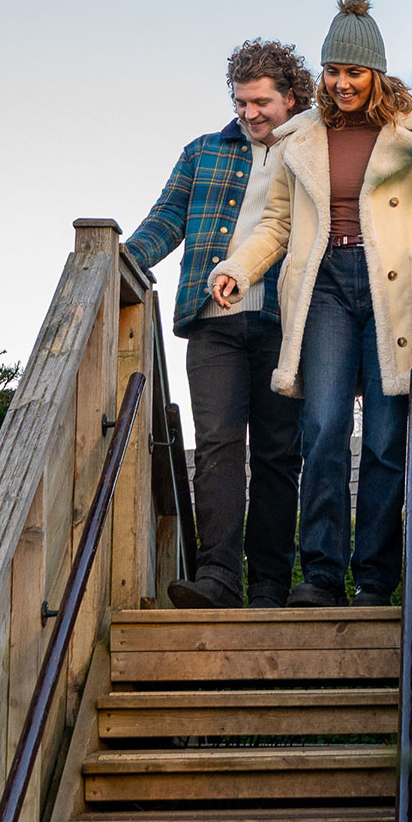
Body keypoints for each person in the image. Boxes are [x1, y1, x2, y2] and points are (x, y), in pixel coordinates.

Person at [210, 0, 412, 608]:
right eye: (333, 71)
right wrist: (239, 267)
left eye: (354, 72)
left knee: (385, 436)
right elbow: (277, 225)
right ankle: (319, 574)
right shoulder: (301, 137)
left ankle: (374, 579)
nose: (342, 84)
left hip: (395, 285)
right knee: (321, 426)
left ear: (377, 72)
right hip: (325, 286)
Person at [125, 39, 313, 610]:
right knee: (217, 447)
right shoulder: (204, 151)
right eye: (240, 103)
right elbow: (166, 219)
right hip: (213, 321)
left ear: (292, 98)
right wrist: (121, 262)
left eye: (261, 103)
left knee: (279, 452)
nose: (250, 114)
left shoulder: (311, 152)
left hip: (286, 320)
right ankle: (218, 576)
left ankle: (271, 586)